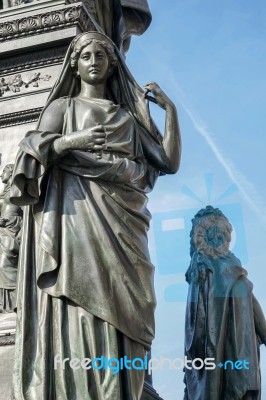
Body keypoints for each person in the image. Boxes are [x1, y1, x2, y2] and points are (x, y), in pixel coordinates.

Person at [10, 31, 181, 399]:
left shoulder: (127, 119)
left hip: (124, 222)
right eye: (86, 56)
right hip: (78, 216)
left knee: (133, 312)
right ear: (75, 62)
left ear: (111, 64)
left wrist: (171, 113)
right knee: (83, 303)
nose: (93, 62)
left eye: (101, 56)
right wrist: (74, 141)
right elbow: (32, 150)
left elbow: (167, 161)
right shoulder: (63, 108)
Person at [184, 206, 266, 400]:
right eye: (213, 234)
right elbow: (197, 321)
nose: (219, 239)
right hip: (220, 354)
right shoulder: (202, 265)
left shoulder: (234, 270)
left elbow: (253, 305)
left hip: (241, 350)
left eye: (222, 234)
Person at [0, 164, 22, 313]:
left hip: (13, 228)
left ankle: (17, 302)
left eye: (4, 171)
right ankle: (5, 304)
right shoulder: (4, 191)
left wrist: (20, 227)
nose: (1, 175)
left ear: (11, 172)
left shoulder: (17, 188)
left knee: (6, 265)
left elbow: (27, 210)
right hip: (3, 228)